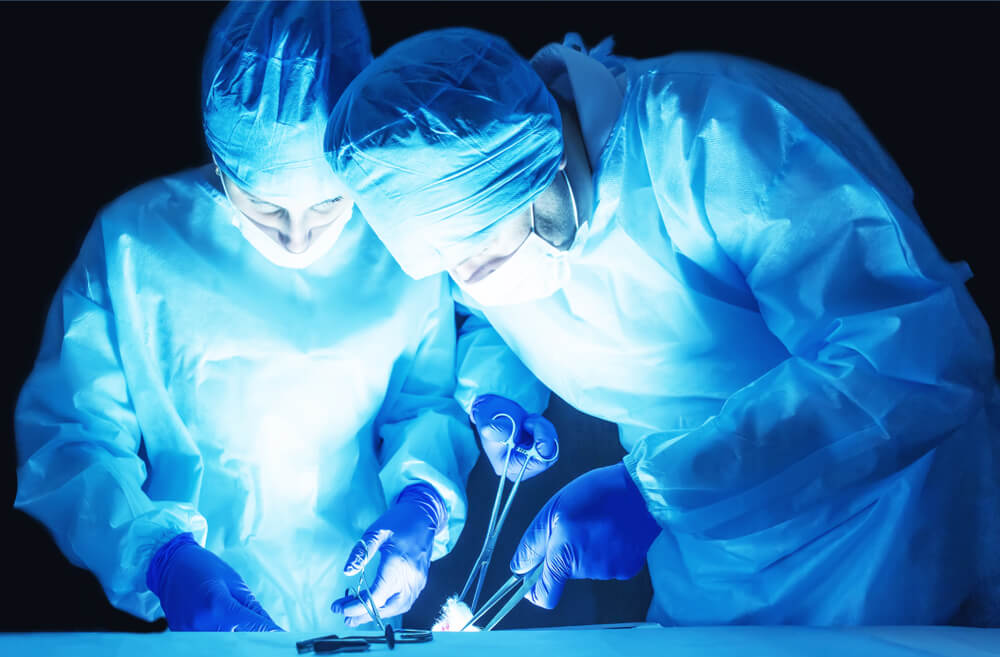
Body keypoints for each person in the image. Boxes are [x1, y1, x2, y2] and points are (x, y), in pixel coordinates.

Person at [325, 28, 1000, 626]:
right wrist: (498, 396)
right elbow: (495, 315)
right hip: (710, 572)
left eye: (485, 255)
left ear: (540, 164)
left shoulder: (715, 137)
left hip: (892, 539)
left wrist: (656, 493)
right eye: (448, 265)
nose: (471, 281)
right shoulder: (470, 207)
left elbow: (913, 360)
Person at [14, 2, 477, 633]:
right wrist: (163, 561)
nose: (295, 238)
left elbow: (423, 404)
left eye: (327, 204)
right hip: (192, 614)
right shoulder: (134, 245)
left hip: (362, 599)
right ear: (220, 158)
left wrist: (422, 505)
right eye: (264, 207)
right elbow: (69, 439)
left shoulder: (399, 241)